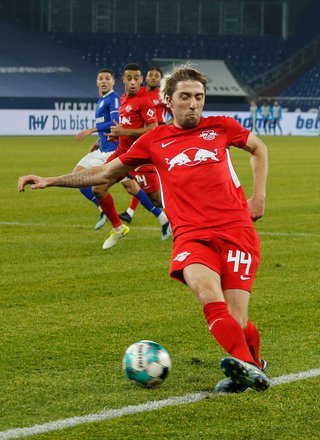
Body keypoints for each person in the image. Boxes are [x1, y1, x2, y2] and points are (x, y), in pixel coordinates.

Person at [19, 64, 271, 393]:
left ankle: (254, 363)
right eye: (185, 97)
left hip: (236, 230)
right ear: (169, 100)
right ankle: (248, 369)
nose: (193, 103)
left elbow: (259, 148)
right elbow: (104, 175)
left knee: (237, 323)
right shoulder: (155, 140)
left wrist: (258, 197)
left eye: (199, 97)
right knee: (207, 294)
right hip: (191, 236)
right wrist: (50, 180)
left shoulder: (221, 127)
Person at [96, 63, 171, 249]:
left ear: (141, 80)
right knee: (98, 188)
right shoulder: (123, 98)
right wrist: (117, 134)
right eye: (128, 78)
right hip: (122, 154)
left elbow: (153, 128)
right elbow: (125, 127)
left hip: (141, 157)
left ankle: (191, 219)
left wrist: (126, 131)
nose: (132, 82)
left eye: (136, 78)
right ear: (123, 79)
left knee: (157, 200)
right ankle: (118, 227)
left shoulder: (145, 100)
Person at [119, 66, 170, 224]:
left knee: (152, 179)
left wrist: (165, 127)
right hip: (137, 137)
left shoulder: (162, 96)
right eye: (151, 75)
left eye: (156, 76)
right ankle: (131, 211)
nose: (153, 78)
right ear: (145, 78)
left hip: (156, 136)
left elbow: (176, 115)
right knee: (139, 178)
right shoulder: (138, 94)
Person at [74, 68, 120, 230]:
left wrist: (92, 130)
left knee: (134, 187)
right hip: (102, 149)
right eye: (101, 78)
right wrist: (98, 141)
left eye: (107, 78)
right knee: (77, 179)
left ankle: (163, 218)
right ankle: (103, 210)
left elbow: (115, 123)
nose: (104, 81)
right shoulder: (101, 100)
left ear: (113, 81)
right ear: (96, 81)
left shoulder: (113, 99)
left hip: (113, 152)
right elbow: (105, 126)